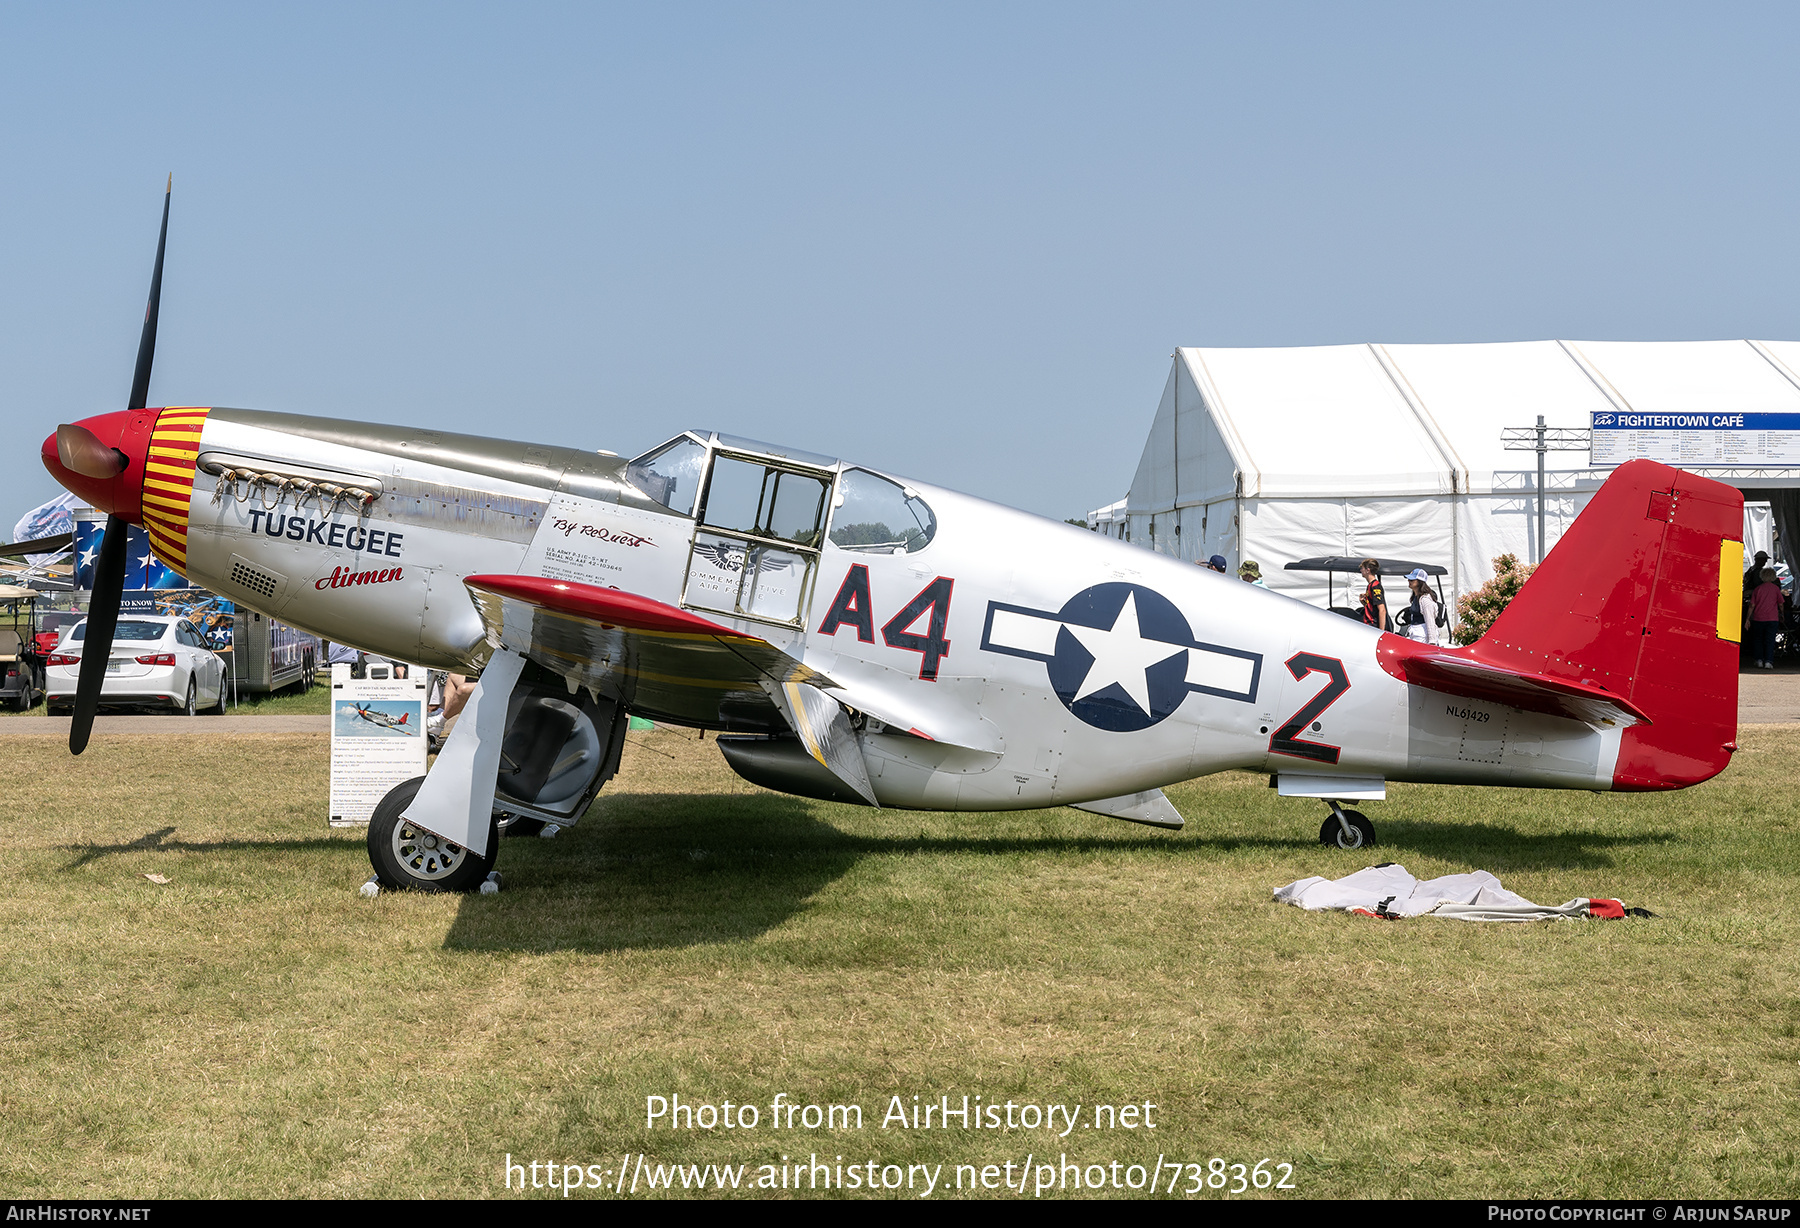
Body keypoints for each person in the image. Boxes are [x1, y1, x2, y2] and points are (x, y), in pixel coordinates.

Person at [1747, 566, 1781, 669]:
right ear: (1773, 577)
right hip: (1772, 618)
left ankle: (1759, 660)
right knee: (1770, 640)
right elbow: (1781, 603)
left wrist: (1747, 618)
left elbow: (1752, 605)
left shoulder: (1757, 589)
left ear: (1761, 576)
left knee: (1758, 640)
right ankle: (1768, 661)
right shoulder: (1776, 589)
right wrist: (1782, 614)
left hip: (1758, 618)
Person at [1399, 568, 1440, 644]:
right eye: (1408, 579)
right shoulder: (1416, 597)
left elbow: (1430, 619)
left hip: (1423, 636)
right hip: (1416, 634)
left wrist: (1432, 641)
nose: (1409, 581)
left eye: (1412, 580)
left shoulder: (1425, 599)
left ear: (1419, 582)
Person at [1358, 558, 1389, 631]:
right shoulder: (1370, 585)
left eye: (1362, 568)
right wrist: (1364, 602)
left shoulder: (1375, 586)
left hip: (1373, 625)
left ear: (1368, 570)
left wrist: (1381, 631)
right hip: (1369, 624)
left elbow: (1382, 609)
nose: (1361, 571)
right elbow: (1372, 607)